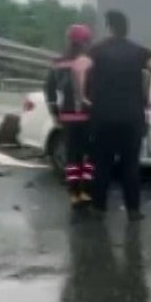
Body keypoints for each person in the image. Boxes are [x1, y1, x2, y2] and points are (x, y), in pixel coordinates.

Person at [86, 10, 151, 221]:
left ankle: (99, 207)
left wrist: (83, 96)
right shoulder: (139, 51)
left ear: (109, 27)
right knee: (130, 165)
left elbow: (79, 70)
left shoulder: (97, 50)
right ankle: (133, 210)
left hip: (103, 117)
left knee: (102, 164)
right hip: (132, 118)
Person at [45, 24, 94, 206]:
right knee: (89, 155)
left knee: (72, 155)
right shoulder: (90, 61)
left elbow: (49, 89)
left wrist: (54, 112)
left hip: (67, 116)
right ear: (86, 41)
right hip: (89, 116)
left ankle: (74, 192)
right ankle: (86, 190)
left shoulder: (58, 62)